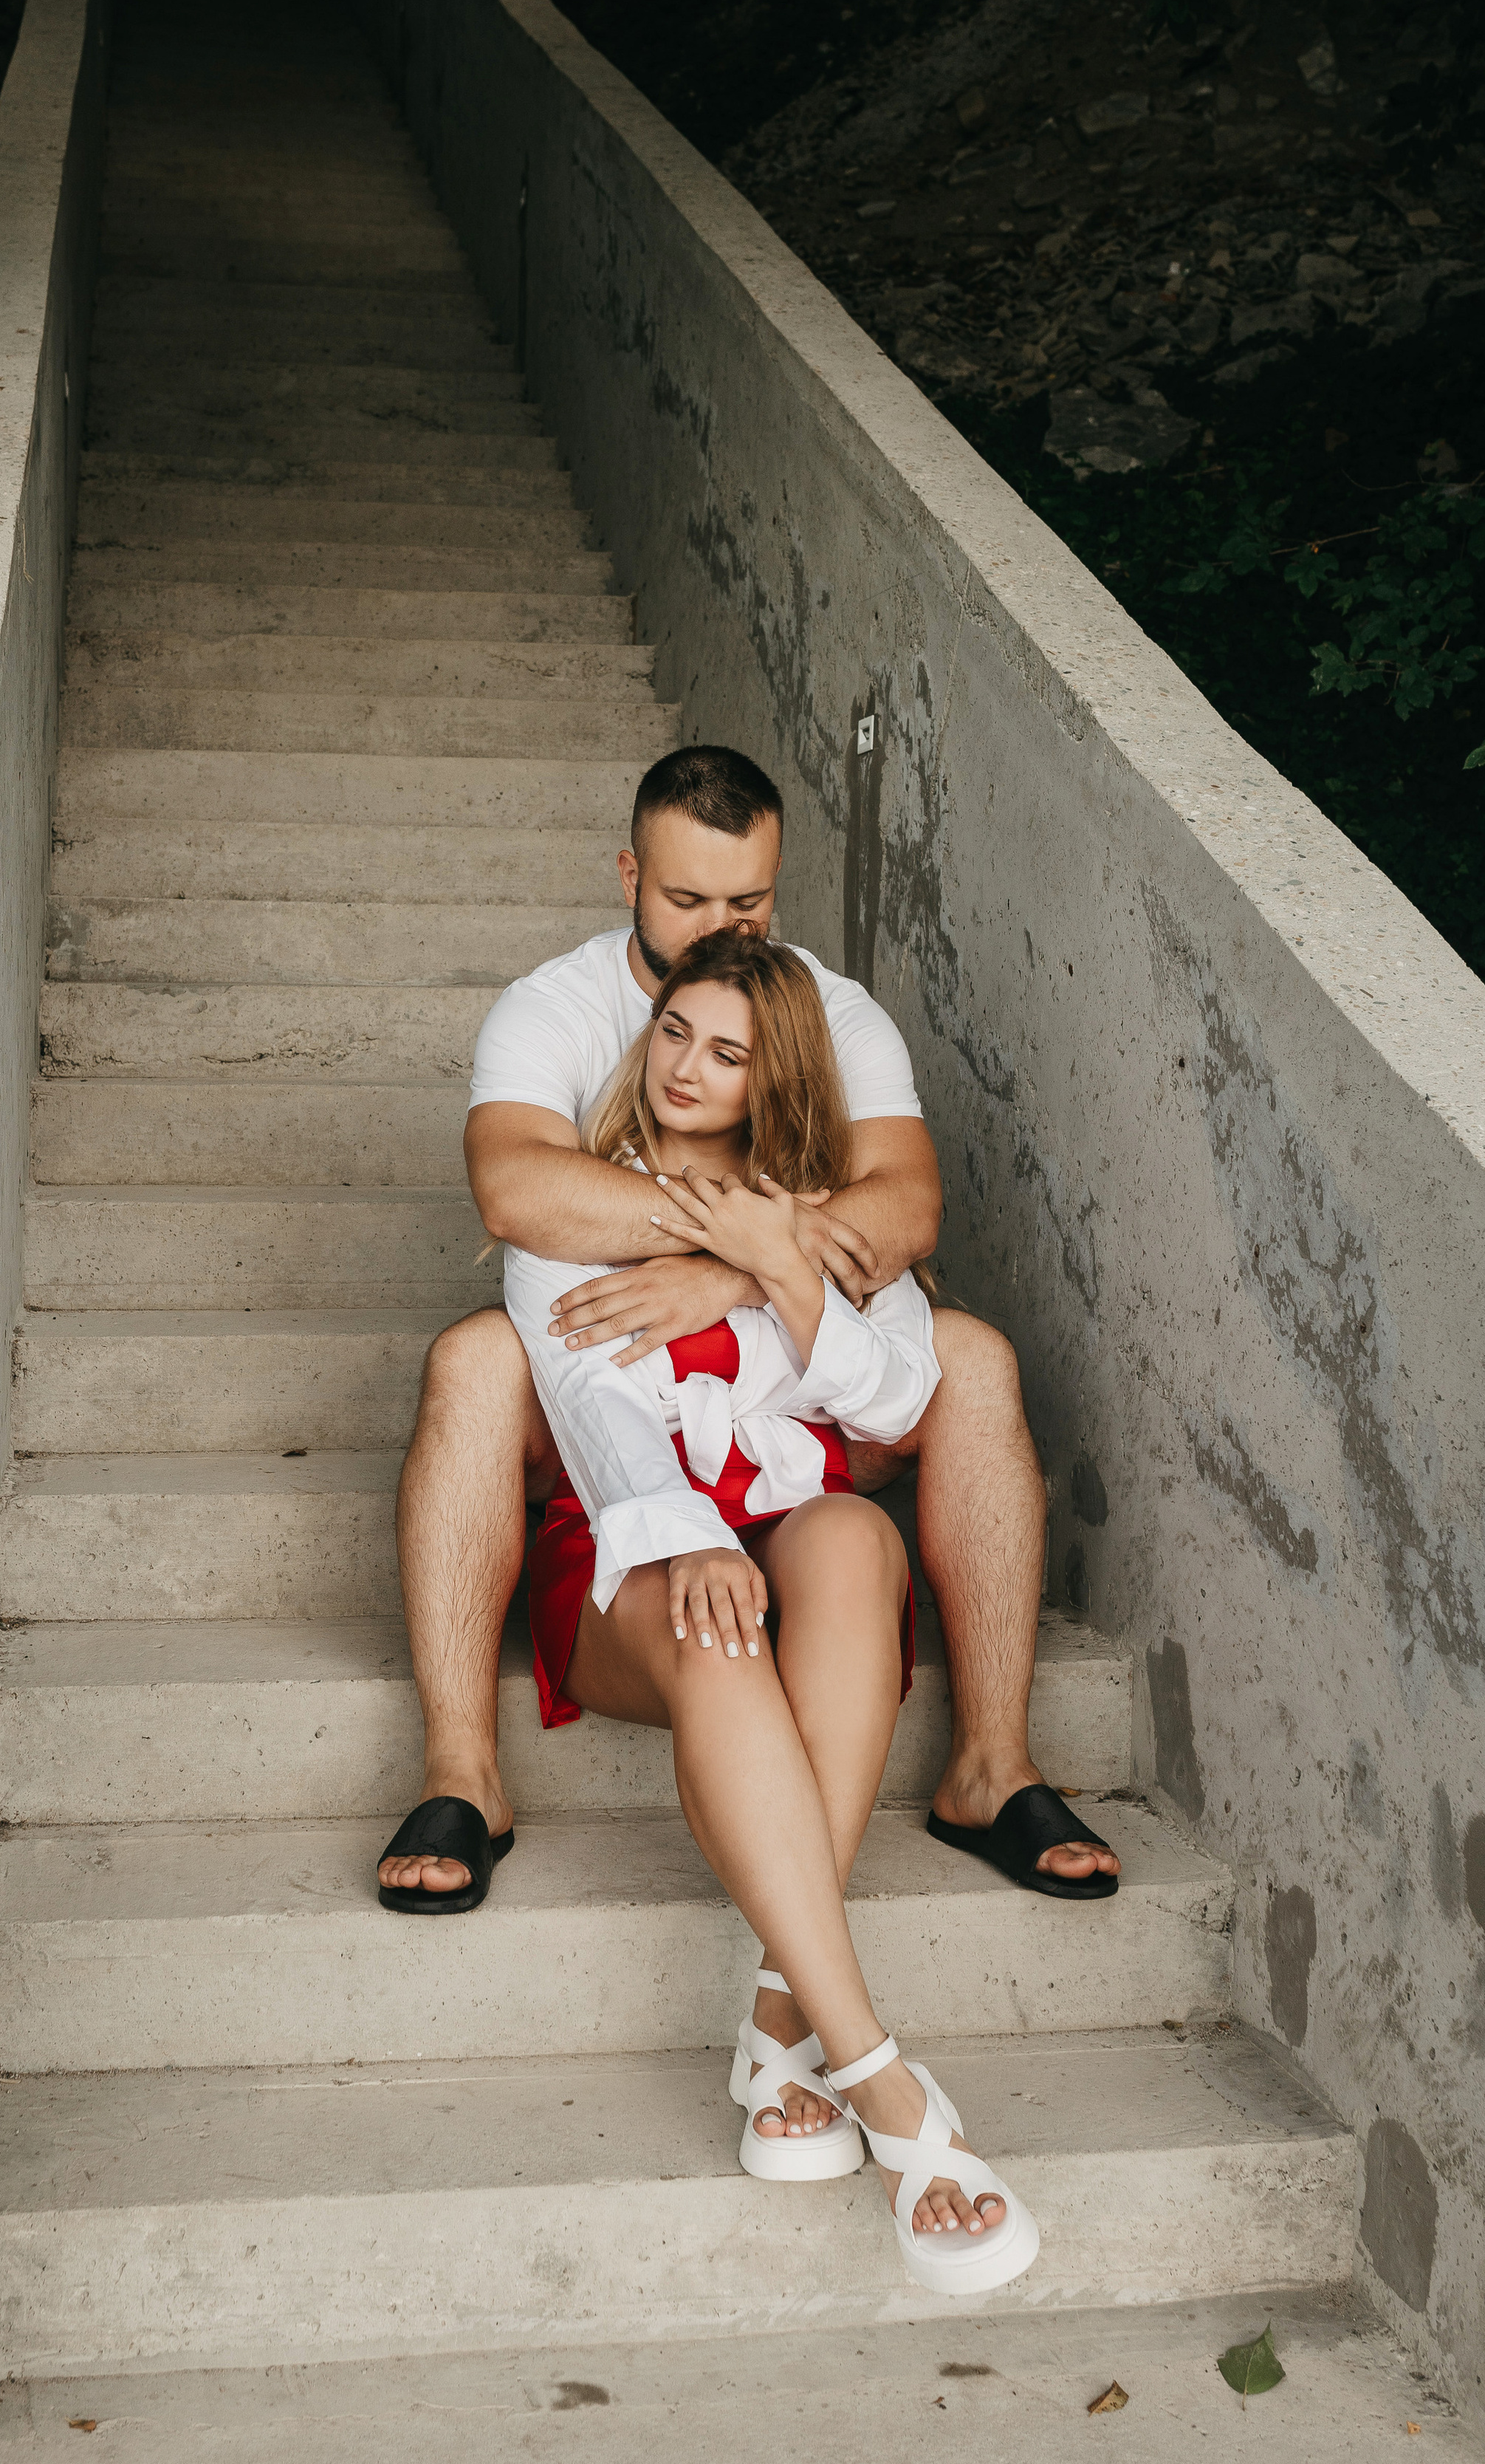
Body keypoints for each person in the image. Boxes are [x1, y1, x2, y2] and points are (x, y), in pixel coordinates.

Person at [375, 743, 1119, 1914]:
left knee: (972, 1358)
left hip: (782, 1385)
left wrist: (737, 1273)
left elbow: (906, 1210)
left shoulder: (832, 1008)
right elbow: (521, 1195)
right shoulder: (556, 1007)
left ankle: (990, 1762)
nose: (723, 923)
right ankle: (464, 1768)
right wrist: (748, 1235)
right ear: (628, 875)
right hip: (615, 1364)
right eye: (686, 900)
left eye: (749, 899)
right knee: (472, 1361)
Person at [498, 927, 1039, 2290]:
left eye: (727, 1052)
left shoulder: (814, 1218)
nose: (685, 1067)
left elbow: (904, 1402)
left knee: (856, 1535)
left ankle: (774, 2016)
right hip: (623, 1547)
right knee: (719, 1633)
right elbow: (594, 1407)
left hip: (786, 1533)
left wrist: (782, 1267)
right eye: (674, 1031)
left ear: (774, 1076)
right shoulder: (589, 1208)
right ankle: (877, 2074)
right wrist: (686, 1541)